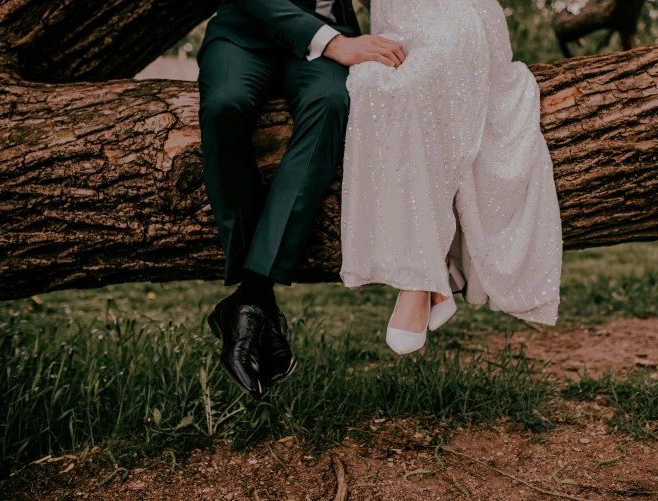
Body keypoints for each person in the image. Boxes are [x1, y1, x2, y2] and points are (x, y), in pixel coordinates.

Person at [196, 0, 405, 397]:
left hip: (328, 36)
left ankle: (250, 299)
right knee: (225, 106)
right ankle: (258, 304)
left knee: (331, 104)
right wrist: (333, 43)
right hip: (244, 30)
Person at [339, 0, 564, 355]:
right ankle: (435, 265)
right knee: (371, 84)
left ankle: (418, 281)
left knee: (417, 80)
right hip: (395, 18)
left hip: (452, 14)